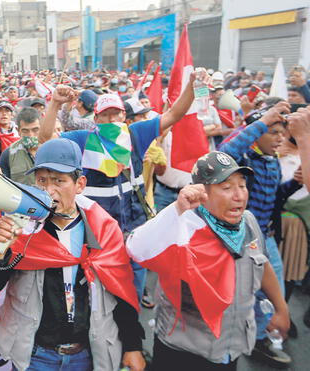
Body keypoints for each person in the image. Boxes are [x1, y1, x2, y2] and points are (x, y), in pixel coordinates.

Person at [0, 138, 144, 371]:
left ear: (80, 184)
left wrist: (133, 345)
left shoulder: (103, 229)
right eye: (42, 180)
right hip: (34, 354)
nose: (49, 190)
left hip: (87, 354)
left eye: (59, 181)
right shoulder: (21, 228)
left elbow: (121, 290)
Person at [40, 71, 201, 302]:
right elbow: (46, 139)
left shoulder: (136, 134)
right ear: (96, 119)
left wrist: (192, 87)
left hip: (133, 231)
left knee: (131, 296)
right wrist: (55, 103)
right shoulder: (83, 140)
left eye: (116, 113)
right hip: (96, 235)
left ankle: (129, 329)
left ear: (124, 116)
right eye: (105, 115)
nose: (111, 119)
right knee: (96, 295)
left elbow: (174, 114)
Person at [126, 151, 290, 371]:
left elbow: (262, 264)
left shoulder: (248, 223)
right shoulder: (183, 226)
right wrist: (176, 209)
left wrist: (281, 309)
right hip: (183, 352)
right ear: (202, 192)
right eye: (226, 187)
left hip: (231, 348)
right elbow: (136, 248)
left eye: (242, 185)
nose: (239, 195)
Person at [218, 101, 302, 367]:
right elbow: (225, 151)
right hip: (240, 240)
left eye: (282, 133)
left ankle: (260, 338)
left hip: (265, 238)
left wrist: (293, 184)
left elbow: (274, 198)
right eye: (273, 132)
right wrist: (262, 121)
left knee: (269, 291)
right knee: (239, 293)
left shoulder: (272, 160)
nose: (280, 138)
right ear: (258, 133)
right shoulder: (243, 161)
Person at [0, 107, 41, 184]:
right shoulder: (9, 154)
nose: (31, 135)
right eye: (25, 131)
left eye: (35, 130)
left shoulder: (51, 149)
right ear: (18, 131)